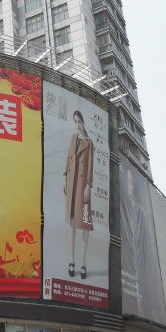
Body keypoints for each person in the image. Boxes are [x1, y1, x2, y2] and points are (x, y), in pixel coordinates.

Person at [64, 110, 94, 280]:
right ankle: (72, 260)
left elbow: (90, 166)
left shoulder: (89, 142)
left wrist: (88, 185)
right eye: (75, 121)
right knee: (73, 222)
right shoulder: (73, 139)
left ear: (83, 122)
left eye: (79, 121)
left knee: (85, 223)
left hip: (83, 185)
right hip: (72, 183)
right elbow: (68, 158)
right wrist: (64, 178)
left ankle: (83, 263)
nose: (77, 124)